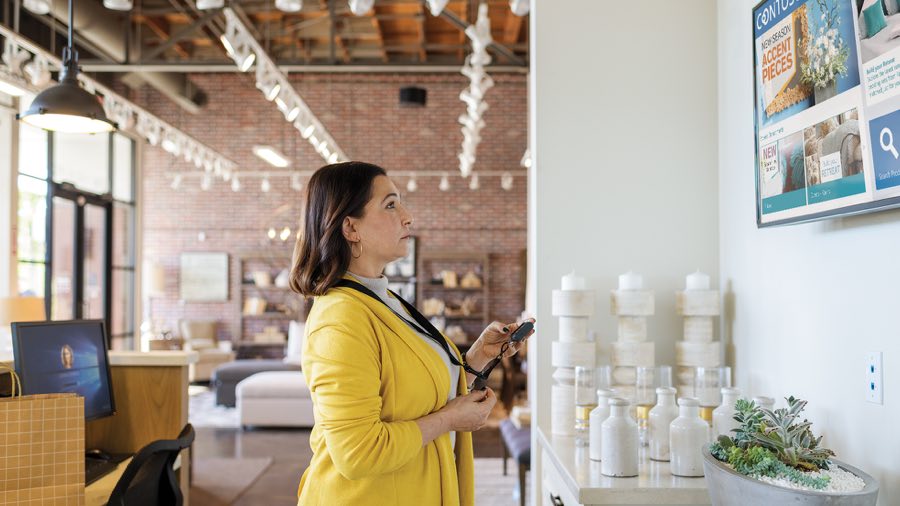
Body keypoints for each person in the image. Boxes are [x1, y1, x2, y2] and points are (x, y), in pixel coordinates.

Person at [289, 162, 535, 505]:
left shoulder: (385, 300)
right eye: (391, 205)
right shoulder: (340, 320)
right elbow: (358, 452)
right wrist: (450, 419)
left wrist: (478, 356)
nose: (408, 217)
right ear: (351, 227)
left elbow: (416, 394)